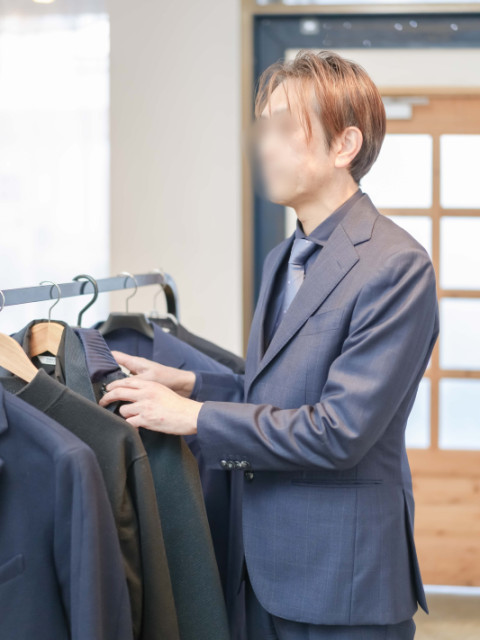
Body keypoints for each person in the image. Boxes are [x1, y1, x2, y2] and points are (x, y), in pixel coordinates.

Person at [100, 50, 439, 640]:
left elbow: (339, 430)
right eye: (263, 129)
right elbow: (280, 394)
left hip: (342, 581)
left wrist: (195, 416)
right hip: (256, 569)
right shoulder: (284, 257)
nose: (264, 147)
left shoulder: (396, 265)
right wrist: (193, 385)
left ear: (345, 145)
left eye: (285, 128)